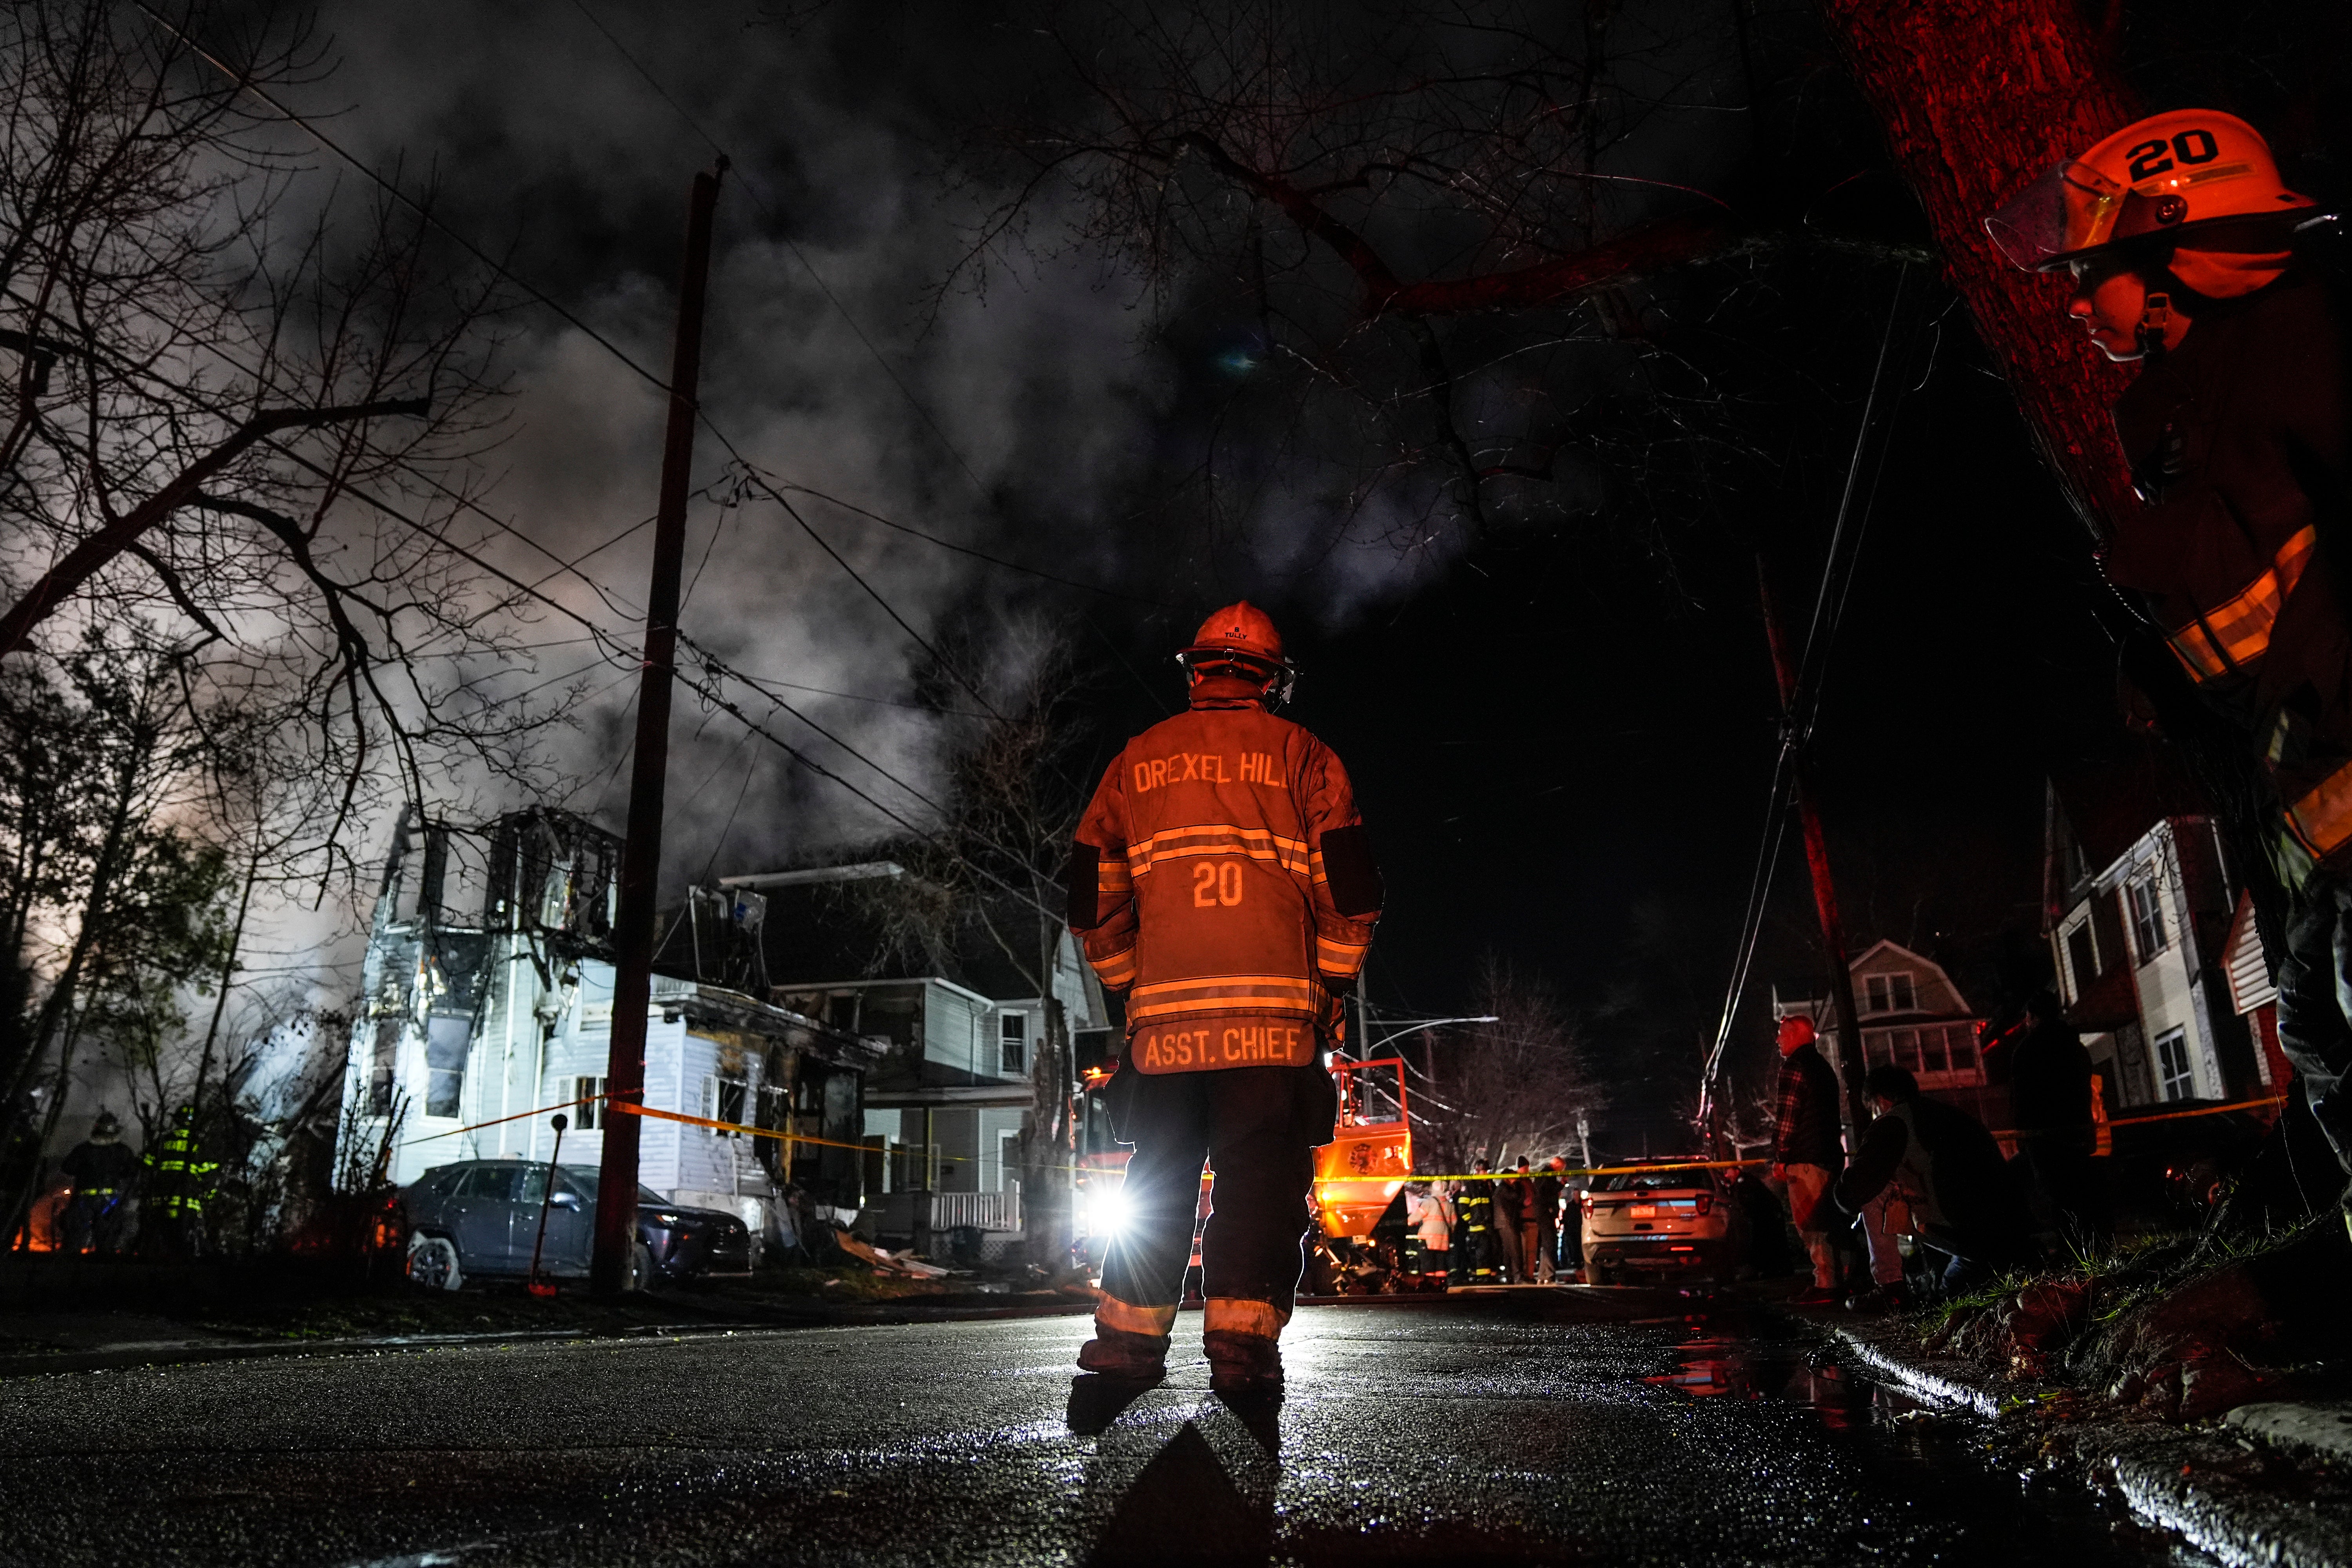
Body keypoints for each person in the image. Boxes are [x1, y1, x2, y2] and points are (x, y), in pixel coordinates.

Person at [1989, 112, 2352, 1233]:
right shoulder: (2201, 408)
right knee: (2320, 1035)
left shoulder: (2311, 352)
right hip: (2315, 829)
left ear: (2173, 253)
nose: (2072, 301)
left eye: (2088, 272)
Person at [1063, 603, 1383, 1394]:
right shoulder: (1306, 757)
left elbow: (1092, 897)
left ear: (1195, 670)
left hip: (1165, 1031)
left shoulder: (1136, 761)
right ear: (1272, 680)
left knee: (1159, 1177)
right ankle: (1240, 1346)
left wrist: (1129, 985)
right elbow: (1351, 894)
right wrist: (1331, 987)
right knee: (1259, 1181)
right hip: (1272, 1031)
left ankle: (1127, 1342)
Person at [1833, 1065, 2026, 1296]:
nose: (1875, 1117)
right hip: (2010, 1230)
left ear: (1881, 1100)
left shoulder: (1894, 1122)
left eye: (1873, 1110)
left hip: (1968, 1238)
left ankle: (1890, 1287)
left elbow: (1852, 1190)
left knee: (1873, 1188)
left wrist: (1842, 1213)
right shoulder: (1952, 1115)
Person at [2003, 991, 2104, 1252]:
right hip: (2077, 1133)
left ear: (2033, 1017)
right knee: (2082, 1196)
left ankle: (2071, 1253)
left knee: (2057, 1198)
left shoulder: (2027, 1051)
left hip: (2044, 1138)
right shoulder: (2076, 1048)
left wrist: (2024, 1138)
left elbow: (2021, 1100)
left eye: (2028, 1017)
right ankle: (2094, 1250)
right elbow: (2083, 1093)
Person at [1768, 1016, 1843, 1304]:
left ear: (1796, 1034)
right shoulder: (1823, 1068)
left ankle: (1825, 1285)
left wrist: (1780, 1157)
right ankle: (1842, 1278)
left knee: (1812, 1225)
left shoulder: (1794, 1067)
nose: (1778, 1040)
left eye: (1781, 1034)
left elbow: (1787, 1119)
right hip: (1829, 1155)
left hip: (1805, 1159)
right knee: (1830, 1220)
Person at [140, 1104, 218, 1258]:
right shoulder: (199, 1144)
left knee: (161, 1245)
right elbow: (211, 1171)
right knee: (185, 1246)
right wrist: (210, 1194)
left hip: (162, 1202)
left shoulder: (163, 1141)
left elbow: (146, 1163)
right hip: (188, 1204)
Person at [59, 1111, 137, 1256]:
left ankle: (69, 1267)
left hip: (84, 1200)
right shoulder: (122, 1151)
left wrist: (86, 1170)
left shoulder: (83, 1149)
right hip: (110, 1202)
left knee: (74, 1241)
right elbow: (132, 1172)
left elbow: (68, 1168)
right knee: (106, 1243)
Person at [1403, 1181, 1453, 1285]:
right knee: (1441, 1266)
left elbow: (1416, 1217)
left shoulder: (1429, 1202)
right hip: (1443, 1242)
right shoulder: (1450, 1205)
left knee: (1428, 1266)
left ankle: (1430, 1286)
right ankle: (1441, 1285)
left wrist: (1407, 1222)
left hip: (1428, 1241)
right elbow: (1454, 1222)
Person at [1457, 1159, 1500, 1282]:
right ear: (1477, 1172)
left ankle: (1491, 1275)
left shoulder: (1491, 1186)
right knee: (1482, 1252)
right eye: (1484, 1172)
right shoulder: (1470, 1187)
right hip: (1478, 1227)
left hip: (1491, 1226)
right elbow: (1463, 1208)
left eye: (1487, 1171)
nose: (1486, 1174)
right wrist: (1472, 1221)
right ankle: (1482, 1277)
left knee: (1494, 1250)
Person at [1532, 1156, 1566, 1283]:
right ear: (1556, 1165)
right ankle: (1548, 1274)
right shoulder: (1548, 1175)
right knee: (1549, 1243)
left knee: (1547, 1243)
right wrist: (1561, 1184)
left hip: (1543, 1213)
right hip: (1546, 1213)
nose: (1561, 1172)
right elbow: (1549, 1191)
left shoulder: (1543, 1175)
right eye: (1561, 1168)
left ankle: (1544, 1274)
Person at [1492, 1157, 1527, 1283]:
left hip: (1505, 1222)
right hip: (1507, 1222)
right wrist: (1518, 1185)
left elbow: (1515, 1203)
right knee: (1515, 1249)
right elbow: (1516, 1198)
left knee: (1508, 1251)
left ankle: (1510, 1276)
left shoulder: (1503, 1189)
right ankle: (1518, 1276)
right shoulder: (1504, 1189)